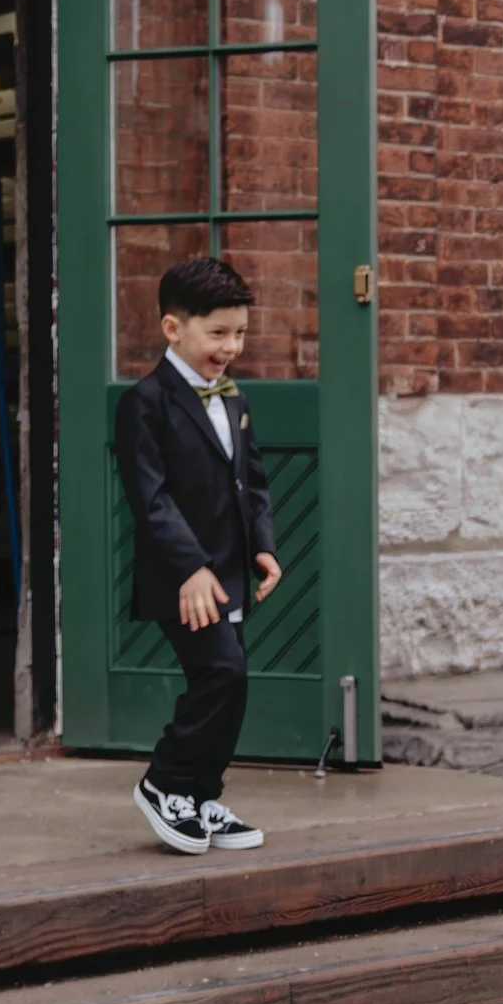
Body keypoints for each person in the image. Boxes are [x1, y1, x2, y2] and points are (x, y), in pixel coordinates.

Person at [115, 257, 280, 855]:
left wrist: (263, 547)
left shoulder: (232, 397)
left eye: (239, 332)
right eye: (217, 333)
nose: (231, 346)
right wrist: (190, 568)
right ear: (172, 329)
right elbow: (150, 499)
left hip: (230, 568)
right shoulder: (145, 402)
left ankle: (203, 798)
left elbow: (252, 479)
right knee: (219, 672)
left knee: (231, 685)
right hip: (182, 575)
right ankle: (165, 784)